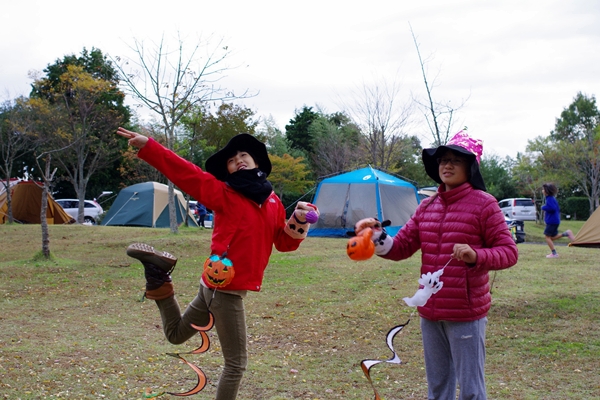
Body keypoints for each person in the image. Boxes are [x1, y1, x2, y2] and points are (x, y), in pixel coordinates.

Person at [115, 127, 318, 400]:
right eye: (232, 160)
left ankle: (158, 276)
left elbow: (283, 243)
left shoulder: (272, 202)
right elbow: (188, 174)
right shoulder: (224, 193)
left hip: (210, 288)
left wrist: (300, 221)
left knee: (175, 335)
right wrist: (149, 146)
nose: (238, 161)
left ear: (257, 161)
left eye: (243, 155)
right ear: (229, 171)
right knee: (236, 365)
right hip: (225, 291)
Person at [355, 130, 518, 400]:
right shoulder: (426, 206)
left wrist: (476, 255)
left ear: (471, 167)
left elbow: (509, 252)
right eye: (443, 160)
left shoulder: (485, 205)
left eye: (456, 160)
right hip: (429, 311)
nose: (447, 165)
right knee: (438, 388)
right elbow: (402, 247)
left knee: (471, 391)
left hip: (465, 313)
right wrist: (376, 237)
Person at [541, 183, 575, 258]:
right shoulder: (552, 198)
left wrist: (543, 207)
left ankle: (554, 253)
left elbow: (552, 208)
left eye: (543, 189)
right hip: (555, 220)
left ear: (547, 191)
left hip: (552, 221)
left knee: (547, 237)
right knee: (551, 238)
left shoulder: (549, 198)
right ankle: (566, 233)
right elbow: (557, 209)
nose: (542, 191)